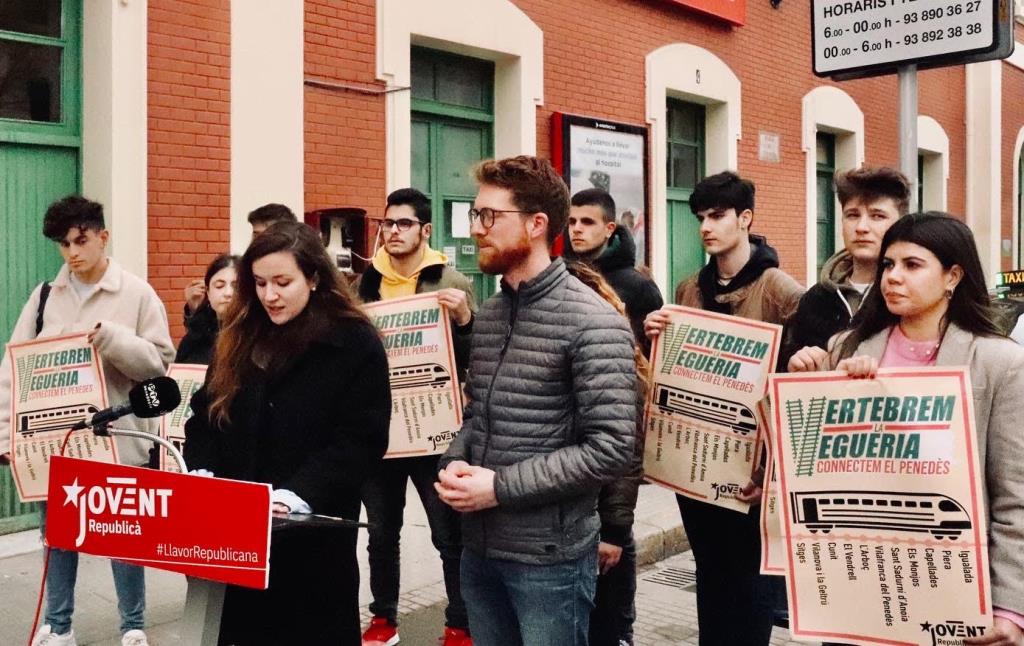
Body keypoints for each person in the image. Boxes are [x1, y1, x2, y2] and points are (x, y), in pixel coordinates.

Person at [788, 213, 1024, 646]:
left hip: (954, 594)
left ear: (953, 275)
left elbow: (1015, 498)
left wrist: (1011, 609)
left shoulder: (999, 362)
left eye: (912, 265)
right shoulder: (848, 346)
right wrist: (809, 382)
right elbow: (806, 462)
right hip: (858, 584)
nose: (893, 277)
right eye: (888, 265)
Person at [434, 155, 637, 646]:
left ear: (537, 224)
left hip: (550, 560)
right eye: (475, 215)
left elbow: (611, 448)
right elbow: (480, 415)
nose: (478, 229)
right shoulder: (490, 315)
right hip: (480, 549)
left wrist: (500, 487)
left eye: (489, 216)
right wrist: (455, 461)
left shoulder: (594, 321)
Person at [183, 221, 391, 645]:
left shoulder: (353, 341)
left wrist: (296, 494)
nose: (269, 295)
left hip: (311, 545)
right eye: (259, 283)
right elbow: (205, 416)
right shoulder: (239, 334)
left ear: (313, 278)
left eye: (282, 282)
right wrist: (202, 470)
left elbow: (361, 438)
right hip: (237, 539)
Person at [0, 196, 175, 646]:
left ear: (103, 237)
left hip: (119, 442)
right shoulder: (43, 298)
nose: (72, 252)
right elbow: (13, 372)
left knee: (123, 539)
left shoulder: (137, 293)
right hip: (56, 445)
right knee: (59, 538)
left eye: (80, 240)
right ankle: (59, 626)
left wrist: (114, 341)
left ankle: (133, 627)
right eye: (64, 244)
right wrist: (7, 437)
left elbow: (160, 366)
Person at [643, 170, 803, 646]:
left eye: (717, 216)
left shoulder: (779, 288)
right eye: (700, 218)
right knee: (709, 570)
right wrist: (657, 333)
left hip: (752, 465)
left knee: (749, 580)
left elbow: (804, 372)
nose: (706, 227)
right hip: (697, 460)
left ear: (745, 218)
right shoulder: (690, 287)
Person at [356, 188, 475, 646]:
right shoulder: (364, 286)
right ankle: (383, 619)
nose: (393, 232)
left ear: (426, 230)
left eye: (404, 224)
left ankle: (460, 622)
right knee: (382, 535)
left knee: (449, 536)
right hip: (381, 433)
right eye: (387, 224)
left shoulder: (452, 282)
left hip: (433, 433)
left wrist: (465, 322)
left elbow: (473, 357)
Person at [565, 262, 649, 646]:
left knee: (606, 622)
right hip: (567, 521)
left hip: (601, 522)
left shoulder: (616, 364)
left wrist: (614, 530)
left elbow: (626, 458)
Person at [782, 166, 910, 368]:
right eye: (852, 215)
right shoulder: (816, 299)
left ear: (900, 224)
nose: (861, 227)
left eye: (877, 216)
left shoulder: (908, 296)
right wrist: (795, 364)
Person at [562, 188, 663, 355]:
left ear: (609, 229)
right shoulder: (561, 276)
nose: (577, 229)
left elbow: (650, 354)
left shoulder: (639, 287)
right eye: (572, 221)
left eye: (587, 222)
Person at [183, 204, 297, 317]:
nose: (259, 242)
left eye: (283, 283)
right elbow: (222, 324)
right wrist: (195, 309)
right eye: (256, 235)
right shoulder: (243, 269)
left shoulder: (300, 267)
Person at [175, 253, 239, 365]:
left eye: (236, 286)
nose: (228, 293)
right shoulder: (193, 341)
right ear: (208, 292)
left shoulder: (257, 339)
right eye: (219, 286)